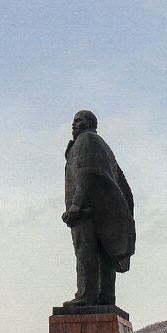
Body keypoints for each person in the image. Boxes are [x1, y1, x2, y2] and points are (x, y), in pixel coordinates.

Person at [61, 110, 135, 307]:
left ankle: (86, 296)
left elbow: (87, 172)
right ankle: (106, 296)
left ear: (89, 123)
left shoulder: (86, 140)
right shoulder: (104, 146)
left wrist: (76, 204)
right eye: (73, 121)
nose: (74, 124)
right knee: (104, 253)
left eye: (79, 120)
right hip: (102, 210)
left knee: (85, 252)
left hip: (86, 210)